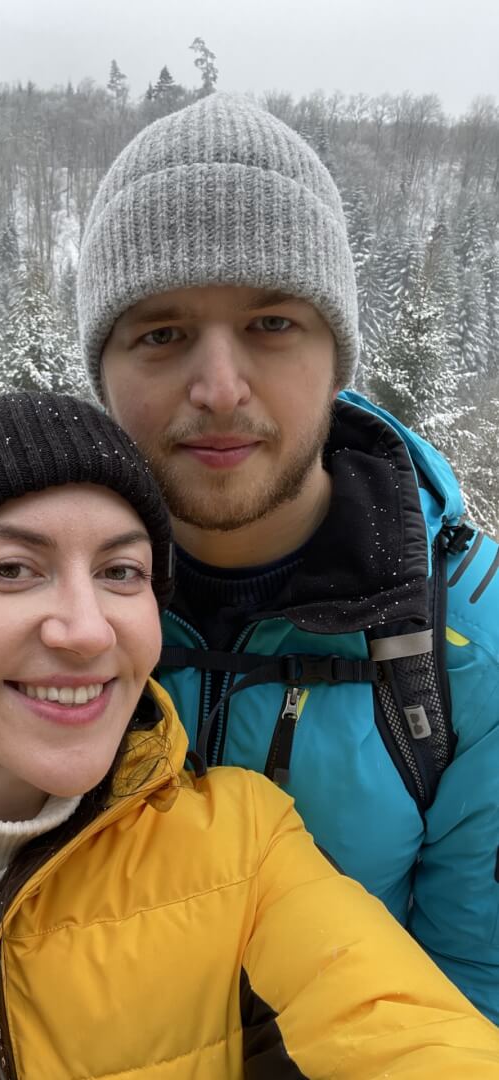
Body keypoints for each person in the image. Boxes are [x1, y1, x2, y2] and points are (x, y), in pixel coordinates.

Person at [0, 389, 499, 1079]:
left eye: (120, 572)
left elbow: (407, 1036)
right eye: (11, 569)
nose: (85, 630)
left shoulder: (246, 852)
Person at [74, 92, 499, 1020]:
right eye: (161, 333)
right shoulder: (36, 615)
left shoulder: (468, 644)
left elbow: (475, 994)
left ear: (336, 359)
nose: (220, 389)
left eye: (272, 324)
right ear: (102, 374)